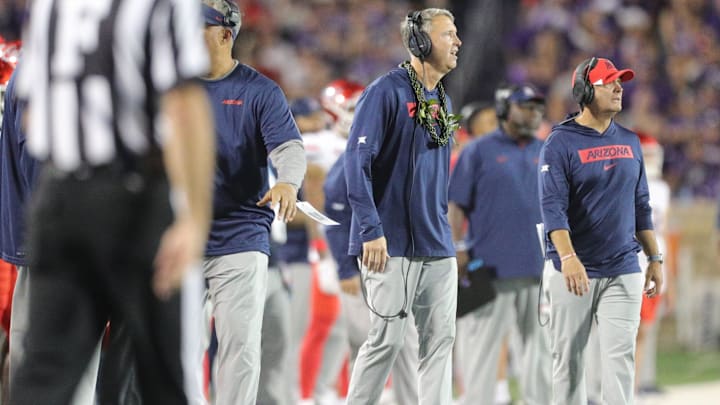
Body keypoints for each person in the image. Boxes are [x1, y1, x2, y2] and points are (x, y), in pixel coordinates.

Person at [10, 0, 216, 403]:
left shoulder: (51, 6)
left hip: (56, 198)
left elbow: (31, 114)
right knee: (163, 373)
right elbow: (184, 105)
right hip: (133, 198)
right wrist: (195, 218)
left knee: (44, 375)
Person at [344, 8, 461, 404]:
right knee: (386, 341)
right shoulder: (385, 92)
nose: (457, 42)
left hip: (437, 244)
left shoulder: (441, 97)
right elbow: (355, 164)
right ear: (420, 42)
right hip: (389, 243)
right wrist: (371, 231)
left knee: (440, 344)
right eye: (448, 35)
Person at [198, 0, 306, 404]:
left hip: (241, 233)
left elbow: (289, 147)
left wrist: (289, 183)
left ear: (226, 35)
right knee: (180, 346)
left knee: (240, 343)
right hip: (183, 233)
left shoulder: (259, 90)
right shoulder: (173, 88)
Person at [539, 57, 663, 405]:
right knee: (569, 363)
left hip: (623, 267)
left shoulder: (630, 140)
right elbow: (553, 210)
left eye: (619, 81)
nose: (618, 87)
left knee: (620, 360)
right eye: (608, 81)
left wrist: (654, 256)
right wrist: (568, 257)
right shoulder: (560, 142)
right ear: (583, 90)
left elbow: (641, 205)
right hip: (573, 270)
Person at [448, 83, 551, 405]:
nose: (533, 113)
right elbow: (455, 205)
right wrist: (458, 247)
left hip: (538, 267)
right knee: (483, 352)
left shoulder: (545, 149)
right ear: (506, 109)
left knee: (540, 351)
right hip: (490, 268)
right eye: (526, 106)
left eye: (537, 107)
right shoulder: (478, 150)